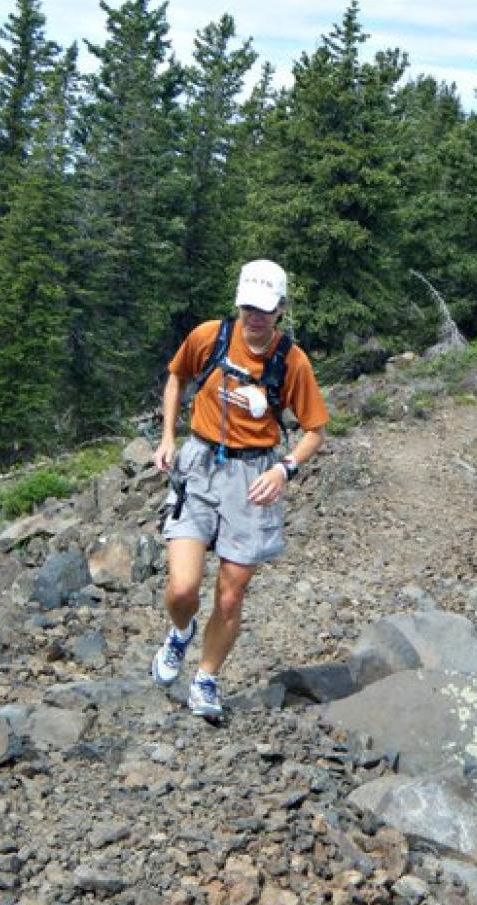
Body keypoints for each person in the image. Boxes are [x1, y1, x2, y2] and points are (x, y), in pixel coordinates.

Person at [151, 259, 329, 719]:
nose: (254, 316)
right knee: (182, 588)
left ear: (281, 310)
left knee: (230, 595)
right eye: (248, 305)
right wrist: (168, 436)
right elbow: (177, 377)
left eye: (265, 309)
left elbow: (314, 430)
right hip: (200, 465)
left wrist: (284, 470)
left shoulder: (292, 361)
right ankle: (181, 630)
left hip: (253, 479)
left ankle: (206, 679)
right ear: (238, 302)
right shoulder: (210, 337)